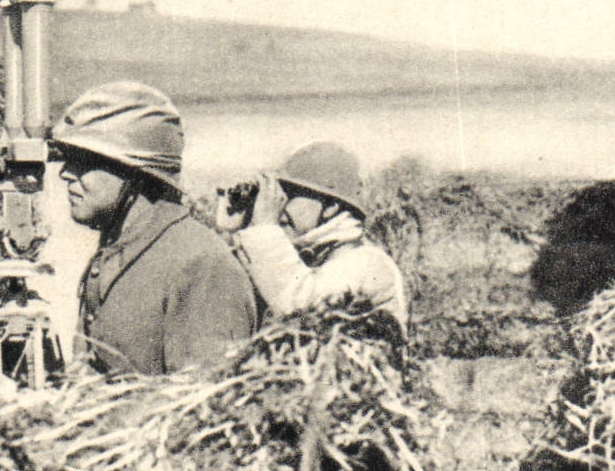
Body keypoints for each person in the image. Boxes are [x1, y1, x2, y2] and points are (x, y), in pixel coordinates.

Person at [51, 81, 257, 376]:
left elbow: (201, 406)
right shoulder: (122, 247)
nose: (65, 173)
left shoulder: (202, 266)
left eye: (85, 161)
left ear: (136, 171)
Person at [220, 140, 408, 331]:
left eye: (291, 194)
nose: (280, 204)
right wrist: (242, 229)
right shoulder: (313, 257)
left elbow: (299, 307)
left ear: (330, 206)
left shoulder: (368, 263)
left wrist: (264, 230)